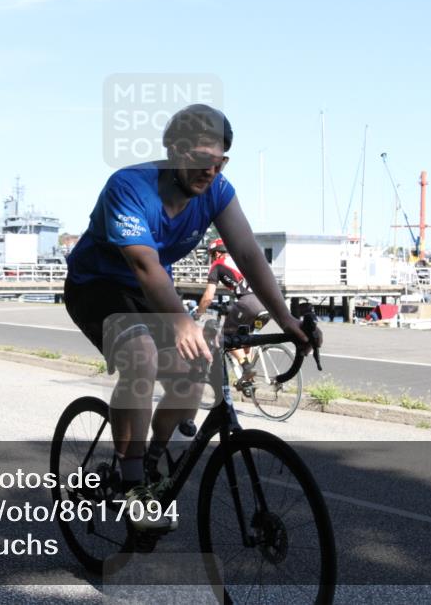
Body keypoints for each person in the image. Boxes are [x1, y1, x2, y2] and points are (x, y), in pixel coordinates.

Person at [64, 104, 320, 531]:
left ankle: (148, 461)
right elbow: (144, 267)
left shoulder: (217, 190)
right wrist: (182, 323)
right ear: (175, 151)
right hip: (98, 286)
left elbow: (250, 255)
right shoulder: (128, 186)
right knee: (141, 355)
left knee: (196, 366)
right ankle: (131, 484)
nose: (210, 170)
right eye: (201, 160)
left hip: (149, 288)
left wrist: (287, 320)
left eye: (219, 161)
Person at [196, 237, 269, 381]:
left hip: (249, 304)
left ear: (216, 254)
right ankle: (248, 382)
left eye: (211, 254)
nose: (211, 258)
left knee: (225, 338)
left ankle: (246, 367)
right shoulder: (239, 260)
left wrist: (198, 314)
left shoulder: (217, 264)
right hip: (267, 305)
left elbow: (208, 297)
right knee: (245, 339)